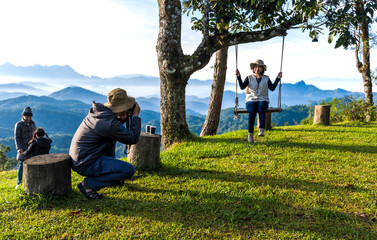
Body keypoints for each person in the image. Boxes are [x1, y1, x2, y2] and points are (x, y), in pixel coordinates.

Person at [69, 88, 141, 200]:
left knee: (113, 150)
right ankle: (89, 184)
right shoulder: (108, 123)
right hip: (86, 162)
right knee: (129, 170)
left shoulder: (101, 114)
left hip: (81, 158)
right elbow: (132, 138)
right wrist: (135, 117)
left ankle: (111, 178)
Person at [236, 59, 282, 143]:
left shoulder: (266, 78)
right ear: (253, 68)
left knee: (261, 107)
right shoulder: (249, 77)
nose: (257, 68)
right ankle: (250, 135)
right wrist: (239, 76)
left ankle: (261, 129)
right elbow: (242, 87)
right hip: (251, 99)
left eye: (259, 67)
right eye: (256, 66)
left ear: (262, 68)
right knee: (252, 111)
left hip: (263, 99)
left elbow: (272, 88)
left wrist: (278, 78)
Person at [14, 107, 37, 189]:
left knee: (32, 164)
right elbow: (17, 137)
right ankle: (19, 183)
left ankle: (31, 181)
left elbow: (35, 135)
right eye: (27, 117)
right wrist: (19, 148)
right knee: (21, 165)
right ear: (23, 116)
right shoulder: (19, 125)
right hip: (23, 148)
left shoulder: (33, 124)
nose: (28, 119)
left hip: (32, 147)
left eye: (30, 117)